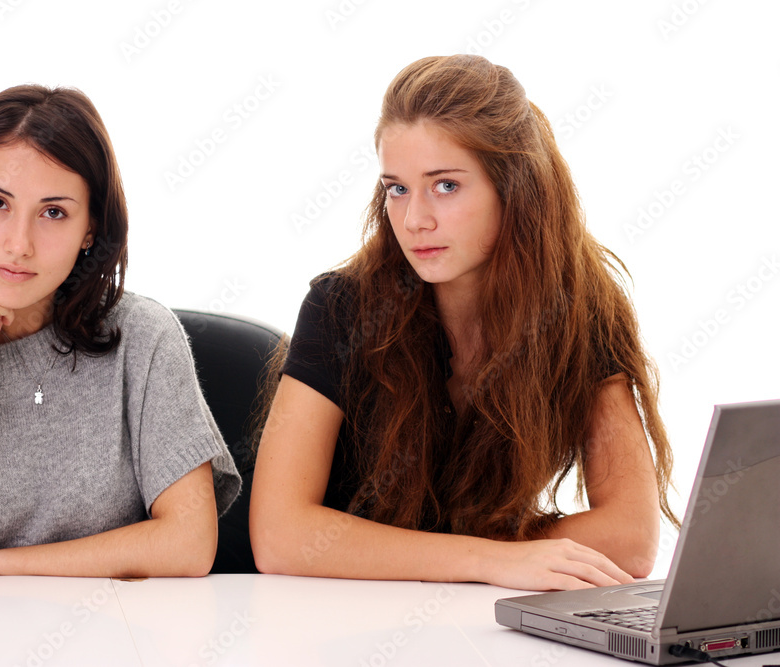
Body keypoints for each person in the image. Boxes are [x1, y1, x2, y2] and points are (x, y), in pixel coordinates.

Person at [249, 55, 678, 591]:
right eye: (397, 189)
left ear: (515, 187)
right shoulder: (341, 307)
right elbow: (279, 535)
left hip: (469, 621)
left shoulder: (580, 309)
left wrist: (496, 559)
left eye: (446, 186)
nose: (414, 220)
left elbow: (631, 535)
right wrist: (488, 560)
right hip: (326, 610)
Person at [0, 85, 240, 581]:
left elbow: (189, 543)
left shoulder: (144, 337)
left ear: (89, 229)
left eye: (53, 212)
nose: (19, 244)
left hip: (95, 623)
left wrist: (5, 568)